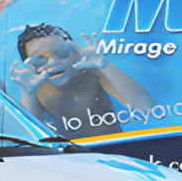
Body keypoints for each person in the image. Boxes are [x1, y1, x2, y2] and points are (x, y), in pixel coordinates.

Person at [9, 24, 154, 137]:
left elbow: (147, 106)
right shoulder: (36, 89)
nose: (53, 61)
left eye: (62, 52)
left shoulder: (92, 73)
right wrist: (27, 92)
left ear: (76, 52)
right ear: (29, 67)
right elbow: (32, 138)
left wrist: (105, 65)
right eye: (40, 58)